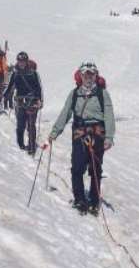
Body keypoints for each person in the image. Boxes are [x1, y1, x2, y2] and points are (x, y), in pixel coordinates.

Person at [46, 61, 114, 215]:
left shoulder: (102, 94)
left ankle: (94, 201)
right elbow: (65, 113)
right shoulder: (75, 93)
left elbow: (109, 115)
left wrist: (109, 137)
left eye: (92, 74)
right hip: (79, 132)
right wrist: (55, 132)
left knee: (95, 168)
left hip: (98, 133)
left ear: (96, 76)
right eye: (86, 74)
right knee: (77, 167)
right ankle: (80, 199)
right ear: (81, 76)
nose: (89, 77)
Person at [5, 51, 44, 154]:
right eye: (19, 61)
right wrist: (4, 96)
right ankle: (20, 145)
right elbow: (10, 86)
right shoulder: (15, 73)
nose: (21, 63)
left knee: (31, 125)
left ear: (26, 61)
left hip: (32, 102)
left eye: (23, 61)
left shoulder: (33, 73)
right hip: (20, 102)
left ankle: (31, 148)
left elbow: (39, 88)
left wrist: (40, 100)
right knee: (20, 125)